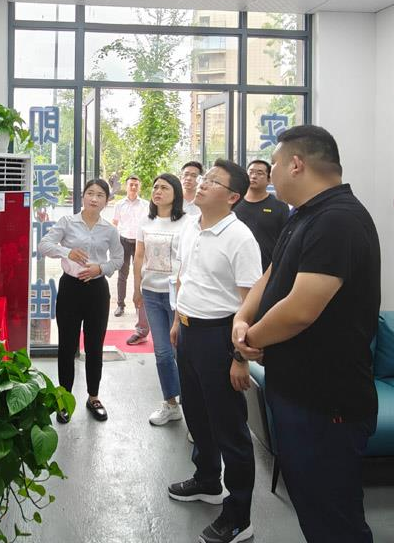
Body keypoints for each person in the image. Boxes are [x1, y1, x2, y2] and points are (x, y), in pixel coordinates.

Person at [232, 125, 380, 543]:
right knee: (313, 507)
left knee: (333, 517)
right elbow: (273, 273)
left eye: (275, 165)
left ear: (296, 164)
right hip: (296, 393)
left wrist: (250, 340)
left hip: (326, 402)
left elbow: (301, 309)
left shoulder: (338, 219)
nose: (271, 175)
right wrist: (243, 316)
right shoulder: (305, 215)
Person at [167, 159, 262, 543]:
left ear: (233, 196)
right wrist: (179, 320)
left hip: (220, 337)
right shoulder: (192, 226)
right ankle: (207, 479)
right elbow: (187, 278)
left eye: (212, 181)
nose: (202, 184)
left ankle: (239, 517)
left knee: (230, 428)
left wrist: (240, 358)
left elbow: (250, 303)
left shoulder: (240, 238)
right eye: (204, 178)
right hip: (189, 332)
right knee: (196, 414)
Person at [38, 179, 124, 423]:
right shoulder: (67, 222)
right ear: (83, 196)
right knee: (67, 345)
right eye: (90, 193)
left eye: (100, 195)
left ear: (106, 200)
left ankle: (93, 397)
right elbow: (44, 245)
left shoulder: (110, 230)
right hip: (70, 289)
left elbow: (118, 259)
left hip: (97, 290)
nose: (94, 198)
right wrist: (67, 252)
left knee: (95, 345)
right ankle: (64, 399)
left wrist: (100, 268)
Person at [132, 173, 188, 426]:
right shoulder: (146, 221)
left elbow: (189, 260)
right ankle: (171, 404)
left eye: (164, 187)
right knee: (162, 352)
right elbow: (139, 257)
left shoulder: (188, 222)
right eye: (155, 187)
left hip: (178, 295)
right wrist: (137, 289)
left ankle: (193, 410)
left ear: (176, 193)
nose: (158, 191)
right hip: (151, 293)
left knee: (182, 352)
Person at [112, 175, 150, 345]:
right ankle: (120, 305)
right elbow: (114, 223)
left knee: (139, 274)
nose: (133, 187)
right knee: (122, 274)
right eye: (131, 185)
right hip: (123, 241)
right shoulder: (119, 205)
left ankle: (138, 306)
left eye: (136, 185)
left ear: (139, 187)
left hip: (140, 243)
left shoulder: (145, 205)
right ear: (126, 187)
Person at [234, 160, 289, 270]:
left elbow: (285, 242)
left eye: (260, 173)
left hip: (267, 268)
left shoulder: (279, 206)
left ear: (269, 180)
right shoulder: (233, 203)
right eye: (251, 172)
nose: (253, 176)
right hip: (236, 265)